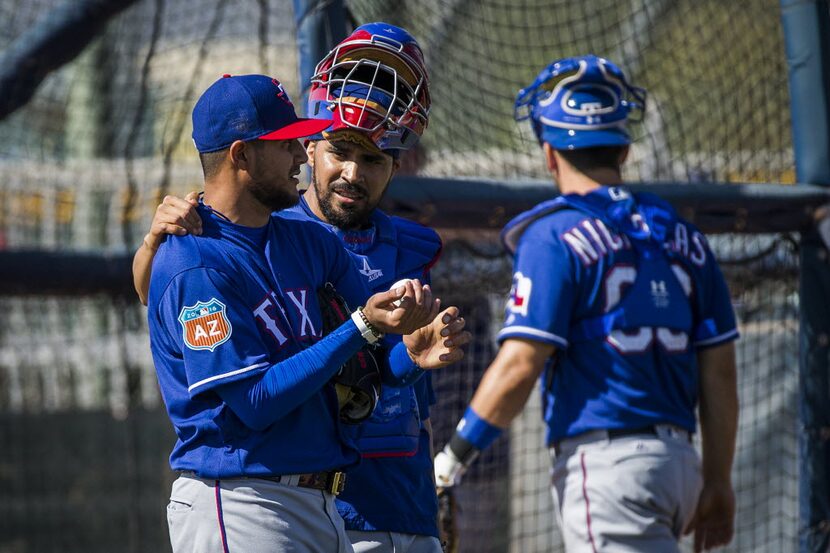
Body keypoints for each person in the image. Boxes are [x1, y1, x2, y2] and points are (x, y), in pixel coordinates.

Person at [135, 25, 469, 553]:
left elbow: (369, 356)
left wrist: (404, 351)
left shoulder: (297, 241)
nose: (298, 152)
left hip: (322, 498)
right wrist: (153, 243)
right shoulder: (192, 251)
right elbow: (254, 400)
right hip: (241, 496)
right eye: (290, 143)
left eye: (301, 139)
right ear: (243, 155)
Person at [433, 55, 740, 553]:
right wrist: (719, 479)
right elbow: (721, 370)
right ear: (623, 148)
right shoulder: (684, 235)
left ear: (550, 152)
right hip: (680, 464)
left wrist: (453, 458)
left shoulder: (554, 234)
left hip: (609, 468)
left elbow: (519, 365)